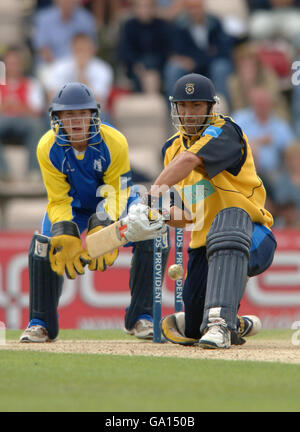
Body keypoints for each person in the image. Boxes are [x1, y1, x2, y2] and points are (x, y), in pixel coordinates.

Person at [19, 82, 169, 343]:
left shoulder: (115, 141)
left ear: (93, 115)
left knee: (152, 230)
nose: (76, 121)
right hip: (73, 205)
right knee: (43, 245)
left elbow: (118, 191)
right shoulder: (46, 147)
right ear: (57, 119)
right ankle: (40, 323)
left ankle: (141, 317)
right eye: (68, 115)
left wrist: (104, 225)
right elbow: (57, 199)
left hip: (113, 199)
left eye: (82, 113)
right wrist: (65, 232)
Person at [137, 73, 277, 349]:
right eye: (184, 106)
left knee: (228, 222)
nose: (189, 114)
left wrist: (149, 197)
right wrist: (160, 216)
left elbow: (191, 160)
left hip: (252, 233)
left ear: (211, 108)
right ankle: (235, 322)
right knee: (191, 328)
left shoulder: (225, 130)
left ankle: (221, 325)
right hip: (204, 245)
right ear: (175, 108)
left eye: (197, 106)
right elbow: (190, 210)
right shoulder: (171, 149)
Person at [40, 32, 114, 122]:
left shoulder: (102, 69)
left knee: (103, 116)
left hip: (91, 112)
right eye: (78, 49)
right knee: (49, 115)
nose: (81, 53)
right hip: (64, 111)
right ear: (72, 48)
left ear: (93, 49)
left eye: (85, 49)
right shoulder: (59, 67)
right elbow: (52, 97)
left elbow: (100, 101)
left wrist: (82, 73)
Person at [0, 46, 46, 181]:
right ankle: (2, 172)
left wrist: (18, 107)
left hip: (25, 122)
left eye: (16, 63)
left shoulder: (32, 84)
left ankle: (34, 172)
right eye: (10, 63)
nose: (13, 67)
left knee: (37, 126)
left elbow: (37, 112)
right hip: (3, 120)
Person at [117, 0, 173, 94]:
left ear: (153, 8)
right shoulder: (129, 26)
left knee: (151, 69)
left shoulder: (162, 25)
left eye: (147, 6)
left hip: (159, 66)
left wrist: (154, 65)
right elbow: (125, 50)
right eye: (140, 6)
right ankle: (152, 99)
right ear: (134, 8)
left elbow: (167, 50)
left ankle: (150, 100)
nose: (144, 10)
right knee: (144, 72)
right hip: (135, 66)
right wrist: (136, 64)